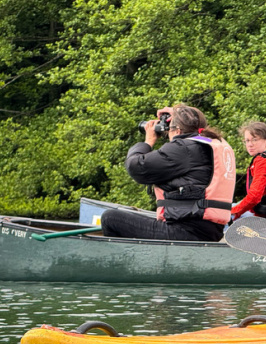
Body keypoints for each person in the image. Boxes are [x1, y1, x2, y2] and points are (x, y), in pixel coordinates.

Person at [101, 103, 236, 241]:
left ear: (177, 131)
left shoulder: (184, 148)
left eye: (169, 130)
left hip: (185, 232)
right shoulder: (211, 143)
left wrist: (148, 141)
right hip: (210, 231)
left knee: (110, 218)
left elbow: (136, 167)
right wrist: (178, 112)